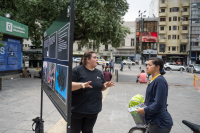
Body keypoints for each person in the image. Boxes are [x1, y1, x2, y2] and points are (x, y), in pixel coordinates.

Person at [71, 51, 115, 133]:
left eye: (96, 58)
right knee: (74, 131)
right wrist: (81, 85)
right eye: (94, 57)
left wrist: (105, 86)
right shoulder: (77, 70)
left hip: (93, 110)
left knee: (88, 131)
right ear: (88, 59)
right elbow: (68, 86)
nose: (97, 59)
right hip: (77, 110)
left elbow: (101, 87)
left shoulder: (98, 72)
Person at [136, 57, 173, 133]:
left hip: (159, 123)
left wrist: (143, 110)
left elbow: (158, 104)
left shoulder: (159, 81)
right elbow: (153, 100)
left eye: (149, 65)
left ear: (157, 67)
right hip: (154, 121)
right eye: (147, 64)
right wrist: (144, 104)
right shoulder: (154, 79)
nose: (146, 66)